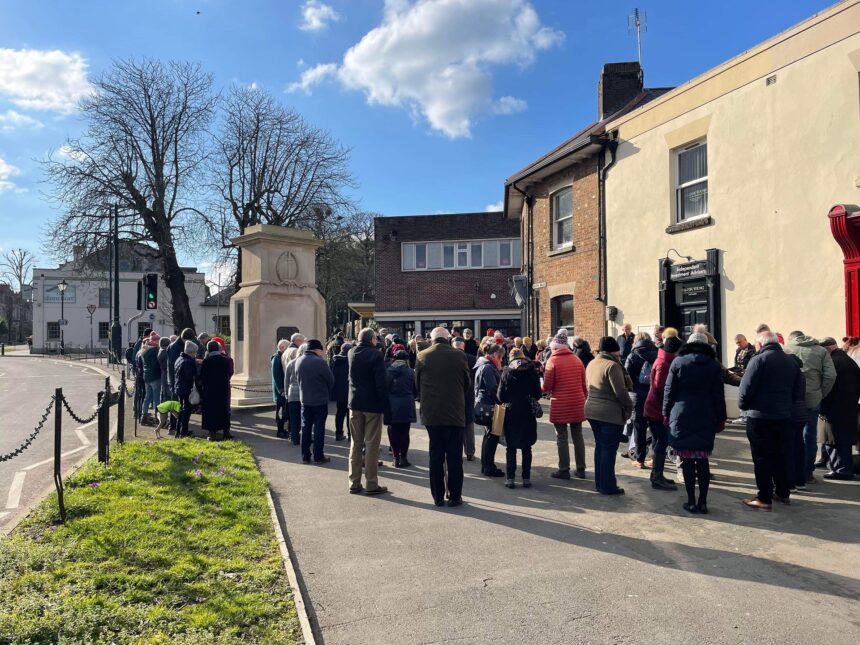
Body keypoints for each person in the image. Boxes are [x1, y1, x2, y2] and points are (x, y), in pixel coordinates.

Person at [738, 332, 805, 510]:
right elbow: (799, 391)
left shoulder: (759, 360)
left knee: (762, 457)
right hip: (784, 416)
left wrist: (744, 406)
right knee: (781, 455)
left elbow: (746, 389)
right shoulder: (791, 361)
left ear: (760, 344)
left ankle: (764, 498)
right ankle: (783, 493)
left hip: (760, 417)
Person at [663, 333, 727, 513]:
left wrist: (665, 413)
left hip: (682, 414)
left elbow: (669, 391)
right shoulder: (714, 366)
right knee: (703, 459)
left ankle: (691, 501)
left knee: (687, 460)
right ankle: (703, 502)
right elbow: (718, 395)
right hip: (706, 415)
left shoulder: (678, 362)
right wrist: (721, 418)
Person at [415, 327, 471, 507]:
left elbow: (416, 385)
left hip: (432, 414)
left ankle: (437, 496)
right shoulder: (459, 356)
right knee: (454, 456)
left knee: (436, 455)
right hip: (454, 413)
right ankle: (455, 496)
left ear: (432, 339)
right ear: (448, 339)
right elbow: (466, 383)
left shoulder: (422, 356)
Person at [785, 330, 836, 484]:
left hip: (792, 399)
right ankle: (807, 473)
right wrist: (821, 393)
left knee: (792, 436)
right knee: (810, 436)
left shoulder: (787, 349)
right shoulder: (820, 350)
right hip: (813, 399)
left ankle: (793, 471)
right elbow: (830, 375)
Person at [585, 337, 633, 495]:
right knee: (608, 451)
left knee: (600, 447)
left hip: (592, 410)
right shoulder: (612, 366)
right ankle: (607, 485)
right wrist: (629, 407)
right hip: (609, 413)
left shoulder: (592, 363)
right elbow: (620, 392)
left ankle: (600, 483)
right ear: (614, 350)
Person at [347, 328, 390, 494]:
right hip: (372, 405)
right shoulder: (376, 355)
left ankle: (354, 482)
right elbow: (381, 383)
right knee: (372, 445)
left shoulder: (351, 352)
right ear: (372, 339)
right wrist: (386, 406)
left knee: (355, 444)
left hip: (355, 403)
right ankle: (371, 483)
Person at [542, 331, 588, 480]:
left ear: (554, 347)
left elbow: (547, 386)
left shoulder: (552, 361)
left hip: (560, 403)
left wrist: (539, 387)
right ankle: (581, 468)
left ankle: (564, 469)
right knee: (578, 436)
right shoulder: (577, 359)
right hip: (577, 401)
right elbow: (583, 384)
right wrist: (584, 399)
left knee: (561, 437)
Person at [498, 347, 541, 489]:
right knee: (526, 446)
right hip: (527, 410)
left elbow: (500, 396)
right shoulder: (531, 370)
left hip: (511, 411)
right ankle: (526, 478)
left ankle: (510, 478)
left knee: (511, 447)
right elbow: (538, 393)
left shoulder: (506, 371)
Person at [643, 335, 683, 490]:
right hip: (657, 409)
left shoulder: (663, 360)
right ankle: (657, 477)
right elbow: (661, 387)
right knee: (661, 442)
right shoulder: (664, 363)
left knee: (658, 441)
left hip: (654, 407)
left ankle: (656, 474)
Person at [818, 337, 860, 480]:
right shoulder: (847, 360)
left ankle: (841, 470)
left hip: (836, 407)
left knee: (834, 439)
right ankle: (841, 467)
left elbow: (829, 386)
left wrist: (823, 404)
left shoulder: (833, 362)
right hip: (848, 406)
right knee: (841, 439)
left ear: (827, 349)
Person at [296, 339, 334, 464]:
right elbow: (330, 380)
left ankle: (305, 456)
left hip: (305, 400)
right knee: (319, 428)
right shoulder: (320, 362)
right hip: (319, 400)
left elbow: (298, 380)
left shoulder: (299, 361)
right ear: (317, 349)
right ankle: (318, 456)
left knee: (305, 428)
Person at [624, 331, 658, 469]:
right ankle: (656, 458)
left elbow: (627, 376)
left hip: (638, 396)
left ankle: (640, 459)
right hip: (654, 395)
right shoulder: (657, 354)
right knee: (656, 428)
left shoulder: (632, 355)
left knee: (639, 428)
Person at [475, 344, 505, 477]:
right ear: (494, 356)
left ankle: (486, 465)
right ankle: (489, 466)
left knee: (489, 436)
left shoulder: (484, 364)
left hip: (484, 404)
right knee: (492, 436)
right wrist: (501, 401)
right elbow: (493, 389)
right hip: (489, 406)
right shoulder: (488, 367)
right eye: (501, 357)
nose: (502, 360)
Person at [385, 349, 417, 468]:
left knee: (392, 432)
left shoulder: (388, 371)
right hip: (406, 403)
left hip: (391, 404)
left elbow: (385, 388)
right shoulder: (410, 372)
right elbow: (415, 389)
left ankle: (395, 458)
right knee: (404, 432)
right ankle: (403, 457)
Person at [200, 340, 233, 440]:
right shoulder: (225, 360)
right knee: (223, 410)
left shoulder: (206, 361)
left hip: (210, 390)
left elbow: (203, 377)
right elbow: (228, 373)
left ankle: (212, 433)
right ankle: (226, 432)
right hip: (222, 389)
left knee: (211, 411)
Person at [453, 336, 478, 461]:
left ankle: (455, 451)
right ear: (463, 345)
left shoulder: (449, 358)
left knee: (454, 424)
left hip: (452, 395)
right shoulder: (472, 359)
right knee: (468, 423)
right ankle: (469, 452)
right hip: (468, 394)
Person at [174, 340, 199, 438]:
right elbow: (190, 376)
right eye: (195, 352)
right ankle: (183, 431)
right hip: (186, 388)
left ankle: (178, 430)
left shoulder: (179, 358)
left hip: (179, 387)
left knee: (181, 410)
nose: (195, 354)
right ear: (191, 352)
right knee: (186, 410)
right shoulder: (188, 361)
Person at [283, 344, 306, 445]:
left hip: (292, 393)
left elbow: (286, 380)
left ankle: (295, 439)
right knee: (304, 418)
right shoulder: (306, 362)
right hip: (303, 393)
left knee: (293, 418)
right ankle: (306, 438)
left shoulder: (291, 363)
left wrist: (287, 394)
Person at [330, 343, 352, 441]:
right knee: (350, 414)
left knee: (339, 413)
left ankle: (338, 433)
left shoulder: (335, 361)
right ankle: (350, 434)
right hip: (349, 390)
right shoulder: (351, 360)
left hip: (339, 391)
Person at [139, 333, 162, 425]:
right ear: (155, 340)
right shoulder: (154, 350)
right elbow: (155, 364)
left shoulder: (144, 349)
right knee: (156, 398)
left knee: (147, 396)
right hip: (154, 376)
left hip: (147, 376)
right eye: (158, 340)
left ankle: (143, 415)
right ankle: (157, 416)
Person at [272, 339, 289, 439]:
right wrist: (281, 389)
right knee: (280, 412)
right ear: (282, 348)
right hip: (280, 391)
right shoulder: (277, 358)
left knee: (283, 412)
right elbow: (276, 375)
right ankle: (280, 431)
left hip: (282, 391)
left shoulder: (281, 357)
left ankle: (283, 430)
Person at [157, 336, 172, 407]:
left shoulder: (160, 351)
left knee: (163, 392)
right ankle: (165, 410)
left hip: (163, 374)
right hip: (166, 374)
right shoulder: (165, 353)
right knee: (167, 393)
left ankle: (162, 410)